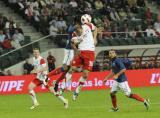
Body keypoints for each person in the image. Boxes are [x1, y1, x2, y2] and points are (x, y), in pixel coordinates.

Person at [66, 15, 98, 101]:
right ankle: (68, 87)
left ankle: (77, 90)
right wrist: (76, 49)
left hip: (90, 52)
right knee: (71, 69)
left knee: (85, 74)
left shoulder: (89, 25)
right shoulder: (74, 33)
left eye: (76, 25)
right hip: (81, 52)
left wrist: (95, 38)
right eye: (75, 26)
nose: (76, 27)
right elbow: (72, 43)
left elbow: (96, 29)